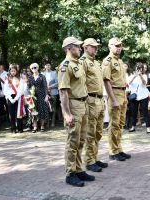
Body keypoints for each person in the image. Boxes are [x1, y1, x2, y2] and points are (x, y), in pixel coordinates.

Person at [58, 36, 94, 187]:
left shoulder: (77, 64)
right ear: (69, 49)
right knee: (72, 141)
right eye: (77, 47)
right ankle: (70, 173)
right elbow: (63, 92)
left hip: (83, 104)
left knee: (81, 140)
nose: (80, 48)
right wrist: (66, 114)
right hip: (73, 105)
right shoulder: (65, 66)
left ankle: (79, 169)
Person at [80, 38, 108, 172]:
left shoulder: (96, 63)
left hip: (100, 99)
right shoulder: (82, 62)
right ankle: (90, 161)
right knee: (90, 132)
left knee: (98, 132)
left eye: (96, 47)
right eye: (93, 47)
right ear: (85, 48)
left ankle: (95, 157)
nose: (96, 49)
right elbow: (81, 83)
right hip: (90, 100)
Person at [102, 37, 131, 161]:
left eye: (120, 46)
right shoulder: (107, 61)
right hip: (114, 93)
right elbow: (106, 81)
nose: (119, 48)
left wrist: (124, 96)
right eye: (116, 45)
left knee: (120, 124)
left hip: (122, 94)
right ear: (110, 46)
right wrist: (113, 99)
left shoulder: (119, 61)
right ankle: (113, 151)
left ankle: (118, 148)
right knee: (114, 124)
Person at [128, 62, 150, 134]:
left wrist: (140, 76)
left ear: (142, 69)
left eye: (140, 68)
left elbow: (145, 83)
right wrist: (135, 76)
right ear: (135, 68)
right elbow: (129, 83)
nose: (139, 69)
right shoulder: (131, 75)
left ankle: (148, 127)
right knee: (133, 112)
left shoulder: (144, 75)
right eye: (137, 67)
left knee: (145, 111)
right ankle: (133, 126)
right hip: (134, 96)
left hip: (143, 95)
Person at [4, 64, 25, 133]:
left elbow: (21, 90)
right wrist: (10, 99)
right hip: (10, 98)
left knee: (19, 113)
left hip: (18, 97)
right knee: (11, 114)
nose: (13, 72)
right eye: (11, 71)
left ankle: (20, 128)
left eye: (14, 71)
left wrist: (16, 98)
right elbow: (5, 90)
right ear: (10, 71)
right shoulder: (7, 79)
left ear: (16, 71)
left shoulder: (20, 79)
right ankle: (13, 128)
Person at [28, 63, 50, 132]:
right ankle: (35, 126)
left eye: (35, 67)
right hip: (33, 96)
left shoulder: (42, 76)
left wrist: (46, 95)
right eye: (32, 68)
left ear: (38, 68)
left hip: (42, 95)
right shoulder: (30, 77)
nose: (34, 69)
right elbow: (29, 87)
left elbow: (45, 86)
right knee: (34, 110)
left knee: (42, 110)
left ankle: (42, 126)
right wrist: (30, 95)